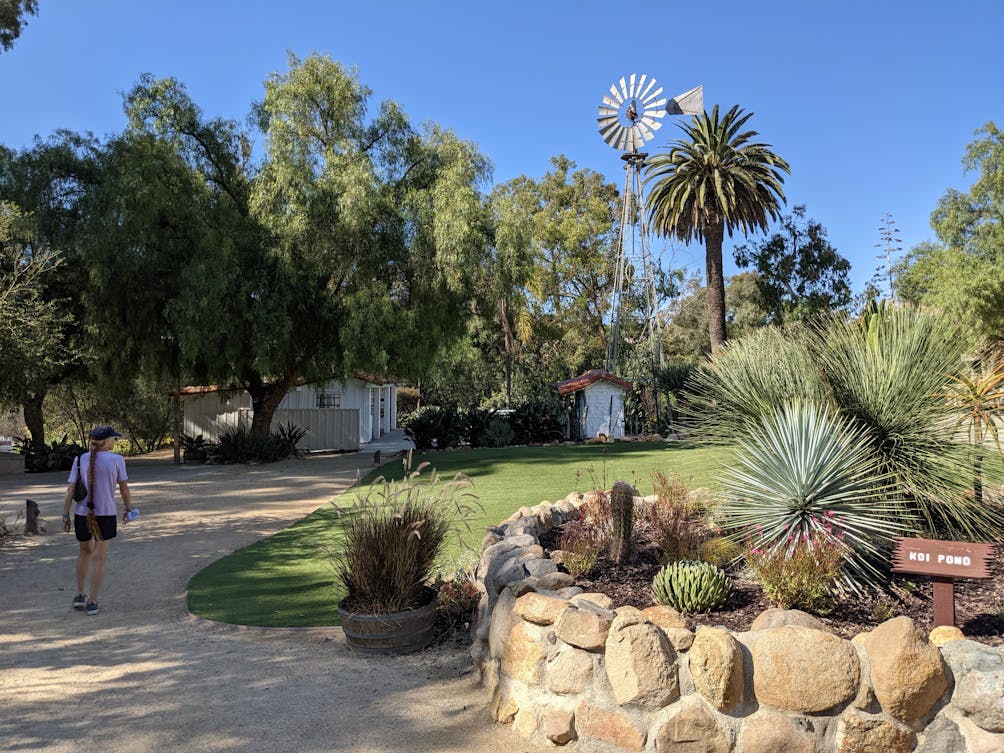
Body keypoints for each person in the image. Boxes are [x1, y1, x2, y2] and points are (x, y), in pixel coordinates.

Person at [62, 425, 135, 616]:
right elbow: (124, 489)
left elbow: (71, 490)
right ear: (106, 441)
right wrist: (129, 509)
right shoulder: (117, 460)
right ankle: (92, 602)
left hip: (81, 514)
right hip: (105, 514)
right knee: (100, 558)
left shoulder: (79, 459)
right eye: (114, 439)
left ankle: (79, 594)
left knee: (84, 553)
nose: (115, 442)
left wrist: (65, 514)